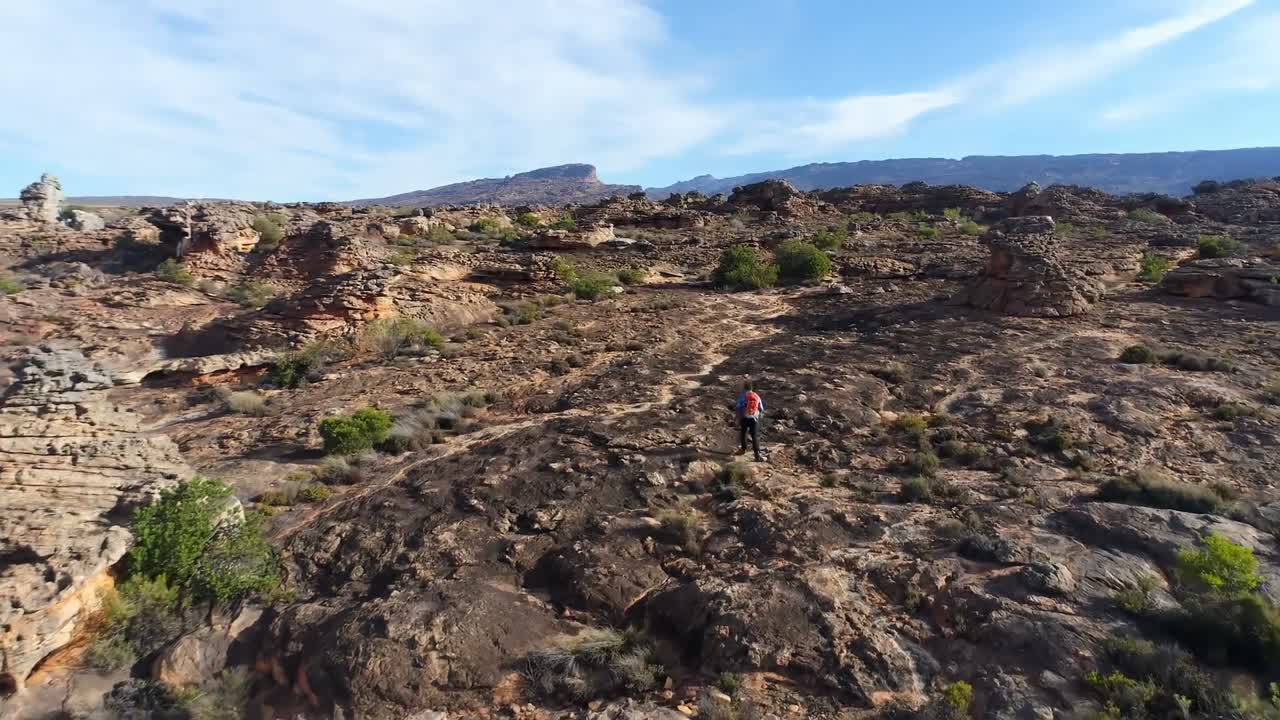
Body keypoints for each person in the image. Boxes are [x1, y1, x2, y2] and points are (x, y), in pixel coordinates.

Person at [735, 381, 765, 461]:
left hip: (744, 417)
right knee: (754, 436)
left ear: (744, 388)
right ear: (751, 388)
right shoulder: (756, 396)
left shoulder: (742, 396)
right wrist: (758, 416)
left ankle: (743, 449)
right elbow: (761, 409)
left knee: (743, 433)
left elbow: (738, 407)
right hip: (754, 418)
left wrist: (738, 418)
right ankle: (757, 454)